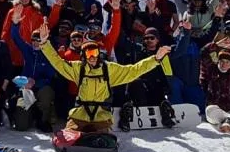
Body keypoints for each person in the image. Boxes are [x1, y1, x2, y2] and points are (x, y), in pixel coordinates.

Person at [34, 25, 171, 145]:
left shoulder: (109, 69)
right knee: (69, 138)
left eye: (94, 53)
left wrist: (155, 59)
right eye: (88, 54)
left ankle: (97, 136)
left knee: (102, 139)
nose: (92, 57)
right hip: (80, 113)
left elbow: (133, 70)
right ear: (83, 56)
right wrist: (45, 43)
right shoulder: (78, 69)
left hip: (101, 115)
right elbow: (58, 62)